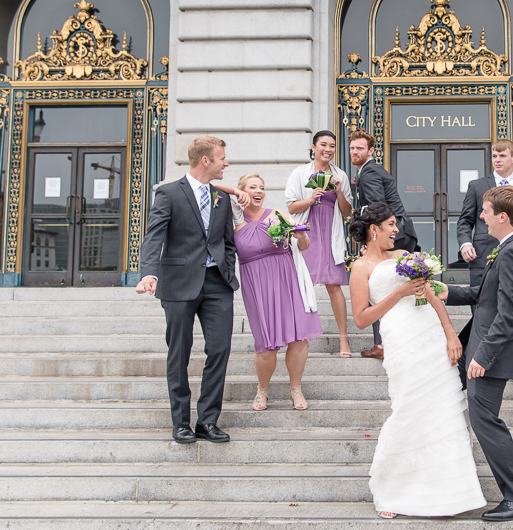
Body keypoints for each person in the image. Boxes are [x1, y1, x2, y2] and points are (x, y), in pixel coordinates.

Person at [348, 202, 485, 520]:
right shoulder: (360, 268)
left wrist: (450, 333)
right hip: (400, 338)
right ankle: (394, 490)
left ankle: (450, 493)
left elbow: (431, 295)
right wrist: (399, 293)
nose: (397, 230)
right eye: (391, 225)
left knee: (443, 408)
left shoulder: (403, 255)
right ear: (374, 229)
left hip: (431, 334)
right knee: (409, 407)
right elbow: (361, 318)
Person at [441, 186, 513, 522]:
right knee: (483, 421)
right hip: (483, 346)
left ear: (502, 216)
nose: (480, 217)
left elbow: (508, 315)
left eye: (485, 211)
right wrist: (446, 291)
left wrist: (483, 356)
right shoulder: (510, 246)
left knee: (486, 423)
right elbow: (485, 297)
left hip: (492, 354)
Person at [136, 136, 239, 444]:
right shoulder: (168, 193)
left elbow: (228, 242)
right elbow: (154, 237)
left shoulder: (221, 198)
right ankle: (181, 422)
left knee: (219, 350)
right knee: (179, 353)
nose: (226, 163)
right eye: (222, 158)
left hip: (217, 284)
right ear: (206, 160)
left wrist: (227, 269)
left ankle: (207, 421)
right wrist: (149, 273)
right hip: (179, 283)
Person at [219, 173, 322, 411]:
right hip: (257, 286)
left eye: (262, 187)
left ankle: (295, 389)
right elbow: (210, 185)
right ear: (243, 191)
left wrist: (301, 236)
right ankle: (262, 390)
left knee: (299, 338)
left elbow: (303, 245)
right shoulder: (234, 221)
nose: (259, 191)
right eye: (252, 187)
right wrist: (235, 192)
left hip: (287, 280)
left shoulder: (277, 214)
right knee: (266, 344)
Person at [349, 129, 418, 360]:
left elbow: (377, 209)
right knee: (390, 288)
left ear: (371, 151)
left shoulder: (368, 173)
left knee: (378, 289)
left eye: (360, 148)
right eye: (352, 148)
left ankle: (382, 344)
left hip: (391, 235)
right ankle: (390, 341)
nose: (354, 152)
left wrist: (369, 241)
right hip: (399, 232)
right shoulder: (372, 170)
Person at [284, 130, 353, 358]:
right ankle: (301, 337)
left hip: (330, 234)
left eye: (332, 145)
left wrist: (339, 191)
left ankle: (343, 339)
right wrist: (310, 199)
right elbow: (291, 207)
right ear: (313, 147)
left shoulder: (339, 174)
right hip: (308, 233)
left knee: (334, 286)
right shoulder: (300, 173)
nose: (328, 149)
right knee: (303, 285)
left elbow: (347, 212)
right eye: (323, 144)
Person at [457, 139, 513, 289]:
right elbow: (465, 220)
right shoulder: (476, 186)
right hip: (482, 255)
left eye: (502, 156)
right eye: (494, 156)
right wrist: (465, 244)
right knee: (480, 300)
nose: (497, 160)